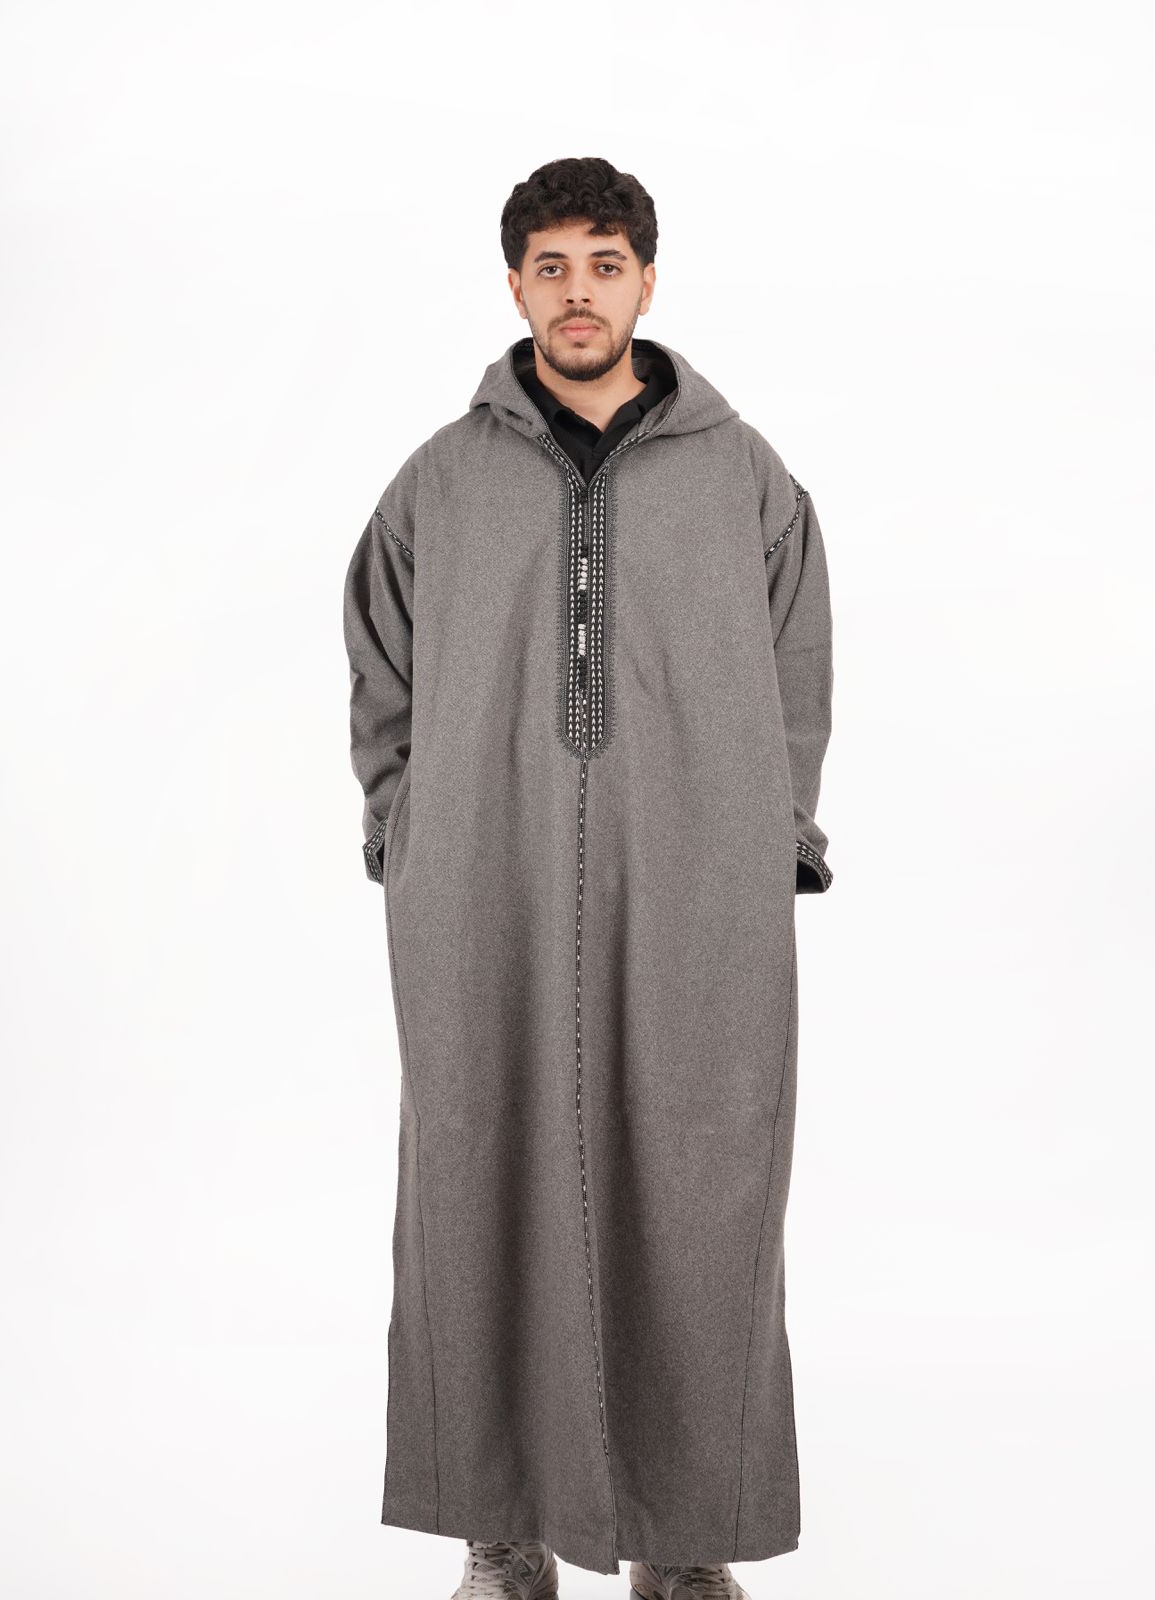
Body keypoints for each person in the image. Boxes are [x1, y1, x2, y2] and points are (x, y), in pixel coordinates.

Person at [343, 155, 836, 1600]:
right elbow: (379, 661)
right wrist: (405, 833)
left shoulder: (743, 475)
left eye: (605, 266)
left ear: (646, 282)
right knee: (477, 1182)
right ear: (515, 286)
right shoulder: (442, 480)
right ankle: (502, 1534)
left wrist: (776, 833)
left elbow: (798, 661)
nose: (578, 293)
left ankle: (683, 1544)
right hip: (479, 893)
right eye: (551, 266)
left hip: (701, 886)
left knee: (701, 1189)